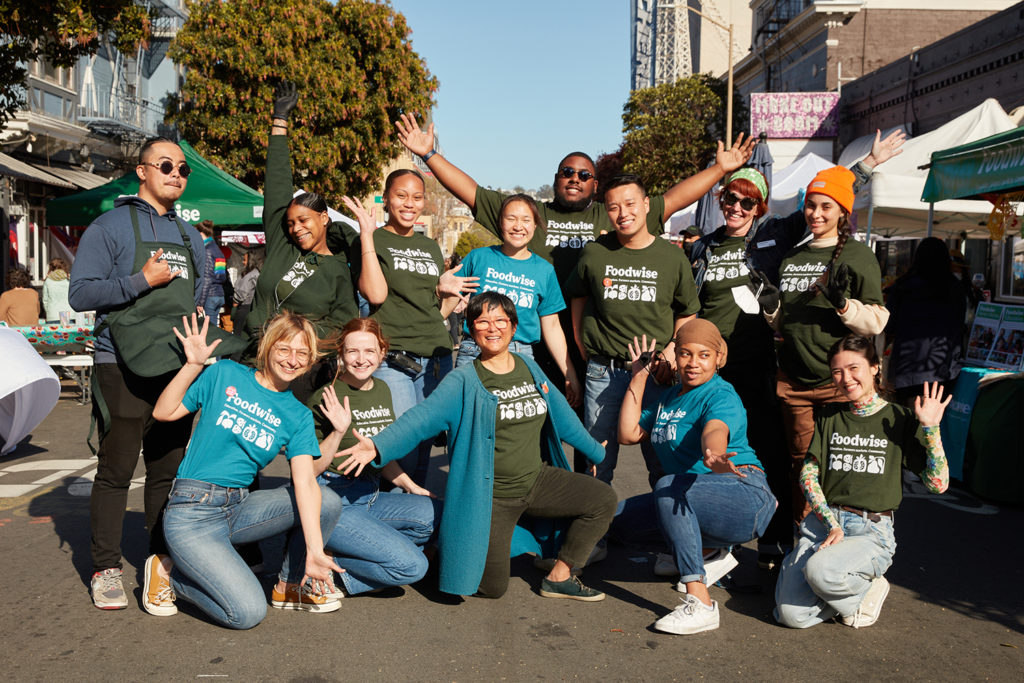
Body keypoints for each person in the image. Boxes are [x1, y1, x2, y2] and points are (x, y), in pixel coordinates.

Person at [395, 113, 754, 396]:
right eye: (568, 172)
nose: (575, 178)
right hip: (540, 332)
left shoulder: (611, 213)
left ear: (595, 186)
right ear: (556, 177)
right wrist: (428, 154)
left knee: (590, 430)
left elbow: (675, 198)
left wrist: (720, 169)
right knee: (539, 418)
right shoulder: (531, 214)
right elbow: (472, 192)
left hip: (594, 335)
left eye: (584, 174)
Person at [689, 130, 906, 568]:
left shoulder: (778, 235)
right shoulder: (703, 247)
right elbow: (686, 302)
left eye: (747, 202)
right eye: (730, 199)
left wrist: (868, 164)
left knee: (774, 452)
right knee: (712, 450)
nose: (736, 207)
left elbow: (827, 197)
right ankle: (711, 542)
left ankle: (777, 543)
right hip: (716, 370)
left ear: (760, 207)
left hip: (765, 366)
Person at [337, 292, 617, 601]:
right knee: (492, 588)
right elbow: (420, 418)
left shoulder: (527, 365)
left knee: (602, 499)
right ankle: (440, 553)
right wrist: (377, 447)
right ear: (471, 329)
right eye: (482, 321)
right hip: (491, 497)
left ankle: (560, 576)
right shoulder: (463, 380)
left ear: (513, 327)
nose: (492, 328)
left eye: (501, 321)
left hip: (537, 481)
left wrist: (595, 451)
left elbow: (560, 414)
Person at [69, 136, 209, 610]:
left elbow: (205, 296)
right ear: (143, 172)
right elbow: (81, 294)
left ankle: (160, 564)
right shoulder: (109, 227)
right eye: (166, 165)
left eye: (183, 169)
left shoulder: (193, 238)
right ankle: (106, 567)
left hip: (176, 367)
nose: (177, 174)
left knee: (167, 471)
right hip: (120, 363)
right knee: (116, 470)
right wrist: (141, 281)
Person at [146, 312, 343, 628]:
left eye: (302, 354)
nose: (292, 360)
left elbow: (305, 481)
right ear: (267, 347)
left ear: (311, 361)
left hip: (239, 508)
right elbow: (164, 411)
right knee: (247, 613)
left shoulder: (297, 415)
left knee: (328, 500)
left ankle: (289, 584)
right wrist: (193, 365)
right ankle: (170, 576)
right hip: (192, 512)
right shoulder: (225, 374)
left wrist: (315, 550)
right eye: (284, 349)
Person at [774, 335, 950, 629]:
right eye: (837, 372)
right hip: (825, 526)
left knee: (819, 571)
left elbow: (938, 484)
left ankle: (866, 586)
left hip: (870, 531)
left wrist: (931, 428)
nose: (846, 378)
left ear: (875, 367)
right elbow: (808, 474)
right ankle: (845, 590)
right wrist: (831, 523)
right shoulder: (830, 415)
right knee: (791, 615)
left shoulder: (900, 418)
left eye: (854, 368)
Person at [612, 320, 777, 635]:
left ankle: (699, 602)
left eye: (703, 355)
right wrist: (639, 375)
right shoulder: (669, 399)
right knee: (615, 521)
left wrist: (713, 453)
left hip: (744, 493)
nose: (693, 363)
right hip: (689, 497)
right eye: (685, 354)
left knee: (667, 488)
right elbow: (628, 433)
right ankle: (706, 551)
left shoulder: (721, 394)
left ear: (718, 358)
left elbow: (716, 429)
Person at [757, 165, 891, 524]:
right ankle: (805, 540)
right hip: (795, 381)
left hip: (841, 383)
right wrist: (771, 308)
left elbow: (878, 320)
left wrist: (844, 305)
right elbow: (787, 324)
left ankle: (845, 538)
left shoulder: (858, 256)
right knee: (803, 467)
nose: (815, 214)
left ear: (842, 212)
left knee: (840, 462)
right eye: (811, 206)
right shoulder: (793, 258)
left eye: (825, 207)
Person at [565, 174, 700, 485]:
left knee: (664, 465)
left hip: (658, 375)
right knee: (597, 466)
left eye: (629, 204)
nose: (623, 213)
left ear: (646, 204)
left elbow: (688, 313)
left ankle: (661, 530)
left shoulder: (672, 257)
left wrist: (668, 357)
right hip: (605, 373)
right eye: (613, 207)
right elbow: (578, 299)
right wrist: (584, 346)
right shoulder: (595, 252)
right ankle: (597, 535)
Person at [341, 181, 476, 486]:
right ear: (386, 199)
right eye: (401, 196)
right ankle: (391, 515)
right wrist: (366, 234)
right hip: (394, 359)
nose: (409, 203)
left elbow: (434, 311)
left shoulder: (428, 245)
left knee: (427, 442)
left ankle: (416, 522)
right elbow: (375, 295)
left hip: (437, 358)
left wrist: (446, 292)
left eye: (417, 197)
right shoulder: (372, 238)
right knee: (402, 446)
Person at [301, 317, 437, 597]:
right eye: (352, 351)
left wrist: (411, 488)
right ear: (341, 354)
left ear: (382, 353)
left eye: (370, 351)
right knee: (413, 567)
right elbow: (306, 471)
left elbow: (377, 453)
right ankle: (329, 569)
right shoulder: (326, 396)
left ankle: (356, 552)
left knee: (437, 514)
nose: (361, 359)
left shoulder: (382, 389)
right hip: (334, 500)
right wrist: (337, 433)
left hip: (371, 495)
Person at [242, 81, 358, 399]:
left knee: (299, 448)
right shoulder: (283, 244)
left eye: (304, 220)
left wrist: (300, 340)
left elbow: (344, 318)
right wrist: (280, 120)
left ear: (324, 218)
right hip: (256, 361)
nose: (295, 228)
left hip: (303, 372)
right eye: (290, 222)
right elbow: (278, 181)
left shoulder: (338, 266)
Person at [455, 193, 581, 405]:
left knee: (516, 428)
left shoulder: (544, 270)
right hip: (474, 351)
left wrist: (570, 374)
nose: (517, 226)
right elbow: (449, 297)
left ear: (535, 226)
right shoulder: (478, 258)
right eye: (511, 218)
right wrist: (444, 289)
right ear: (500, 222)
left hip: (520, 355)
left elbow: (551, 327)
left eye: (525, 220)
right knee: (466, 423)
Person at [884, 237, 966, 405]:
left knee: (906, 423)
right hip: (943, 367)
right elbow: (960, 324)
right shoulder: (955, 288)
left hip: (906, 368)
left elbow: (889, 325)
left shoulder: (902, 286)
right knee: (934, 424)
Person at [197, 220, 227, 323]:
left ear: (200, 233)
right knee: (213, 328)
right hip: (219, 294)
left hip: (210, 296)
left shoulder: (207, 250)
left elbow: (207, 278)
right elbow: (222, 276)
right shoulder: (217, 250)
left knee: (209, 330)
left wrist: (200, 302)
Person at [231, 250, 263, 337]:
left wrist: (234, 306)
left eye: (244, 260)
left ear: (250, 261)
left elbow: (241, 294)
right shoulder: (257, 273)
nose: (243, 262)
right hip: (251, 307)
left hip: (244, 308)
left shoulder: (250, 275)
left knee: (238, 334)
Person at [42, 258, 72, 323]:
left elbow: (45, 300)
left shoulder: (48, 281)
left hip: (53, 314)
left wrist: (49, 311)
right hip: (69, 314)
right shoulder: (69, 279)